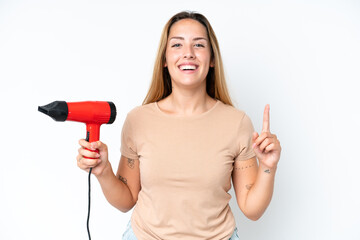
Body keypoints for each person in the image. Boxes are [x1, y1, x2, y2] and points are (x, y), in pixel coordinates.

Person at [76, 11, 281, 240]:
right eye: (177, 45)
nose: (188, 54)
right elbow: (126, 200)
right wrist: (103, 172)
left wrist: (268, 167)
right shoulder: (138, 120)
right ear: (164, 59)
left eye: (199, 45)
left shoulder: (237, 123)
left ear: (212, 59)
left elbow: (252, 210)